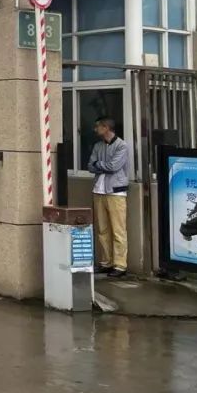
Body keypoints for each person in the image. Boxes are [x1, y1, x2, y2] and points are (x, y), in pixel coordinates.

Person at [88, 117, 130, 277]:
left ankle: (120, 265)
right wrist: (100, 165)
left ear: (106, 127)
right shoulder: (98, 145)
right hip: (98, 190)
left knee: (118, 230)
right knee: (102, 229)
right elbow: (90, 166)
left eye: (98, 126)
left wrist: (98, 164)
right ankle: (106, 262)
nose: (95, 129)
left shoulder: (122, 145)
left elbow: (113, 166)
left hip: (116, 192)